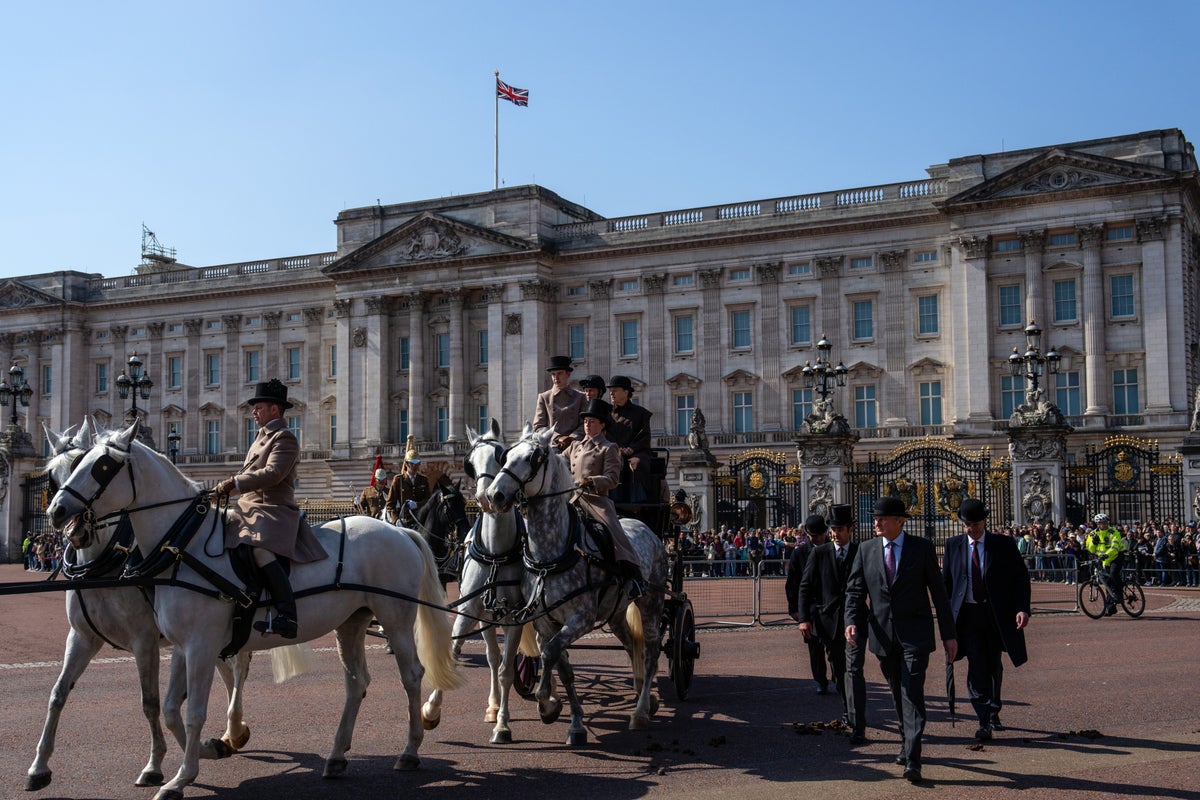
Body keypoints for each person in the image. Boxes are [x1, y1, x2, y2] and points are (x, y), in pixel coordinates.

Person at [845, 496, 957, 784]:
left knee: (912, 692)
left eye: (883, 518)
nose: (876, 523)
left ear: (899, 521)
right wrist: (852, 623)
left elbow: (939, 595)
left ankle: (913, 758)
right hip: (883, 636)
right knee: (897, 692)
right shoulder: (866, 550)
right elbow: (855, 593)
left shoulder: (922, 548)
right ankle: (905, 742)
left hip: (915, 635)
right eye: (875, 518)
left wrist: (949, 635)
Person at [216, 379, 327, 639]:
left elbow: (273, 473)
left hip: (273, 509)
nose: (254, 412)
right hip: (249, 506)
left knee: (259, 550)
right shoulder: (260, 436)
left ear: (275, 410)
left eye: (259, 407)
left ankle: (287, 615)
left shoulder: (285, 437)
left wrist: (234, 483)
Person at [942, 499, 1031, 742]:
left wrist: (1022, 608)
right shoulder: (954, 545)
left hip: (995, 615)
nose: (972, 529)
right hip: (968, 615)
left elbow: (1020, 578)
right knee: (976, 665)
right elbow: (946, 584)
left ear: (985, 521)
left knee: (994, 665)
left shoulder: (1002, 544)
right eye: (967, 524)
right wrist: (946, 620)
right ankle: (983, 719)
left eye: (976, 524)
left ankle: (994, 708)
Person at [561, 398, 646, 597]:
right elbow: (559, 463)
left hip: (595, 501)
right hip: (572, 499)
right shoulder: (575, 446)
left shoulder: (609, 448)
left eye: (591, 421)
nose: (587, 424)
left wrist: (591, 481)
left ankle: (634, 577)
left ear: (602, 424)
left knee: (615, 534)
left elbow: (612, 479)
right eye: (585, 421)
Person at [797, 504, 865, 741]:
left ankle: (856, 718)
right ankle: (848, 710)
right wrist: (804, 618)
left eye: (839, 529)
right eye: (832, 529)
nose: (835, 533)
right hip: (829, 623)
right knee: (840, 670)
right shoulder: (820, 553)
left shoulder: (861, 552)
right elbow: (805, 586)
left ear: (851, 530)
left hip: (857, 620)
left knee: (853, 670)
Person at [786, 514, 831, 695]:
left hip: (831, 606)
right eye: (814, 536)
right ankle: (820, 680)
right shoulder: (800, 553)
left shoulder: (832, 549)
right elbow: (793, 584)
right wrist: (794, 609)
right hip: (811, 608)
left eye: (820, 535)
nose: (817, 539)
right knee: (815, 649)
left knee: (835, 647)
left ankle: (837, 675)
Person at [606, 375, 653, 502]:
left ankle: (638, 501)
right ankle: (613, 500)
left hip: (637, 452)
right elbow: (605, 435)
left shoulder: (641, 413)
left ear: (626, 392)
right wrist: (618, 449)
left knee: (637, 464)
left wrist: (632, 449)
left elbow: (644, 436)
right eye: (610, 391)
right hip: (613, 451)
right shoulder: (606, 414)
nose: (611, 393)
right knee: (614, 462)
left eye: (615, 390)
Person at [533, 355, 587, 450]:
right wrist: (557, 437)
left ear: (568, 374)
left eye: (559, 373)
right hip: (551, 446)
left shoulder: (580, 397)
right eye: (553, 374)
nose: (556, 378)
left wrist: (571, 438)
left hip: (575, 446)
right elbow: (538, 426)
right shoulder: (544, 397)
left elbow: (585, 424)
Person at [1085, 513, 1127, 616]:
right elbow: (1090, 548)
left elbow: (1115, 546)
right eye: (1100, 523)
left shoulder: (1113, 532)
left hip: (1116, 556)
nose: (1103, 525)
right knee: (1107, 582)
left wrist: (1106, 556)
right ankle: (1110, 608)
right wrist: (1094, 543)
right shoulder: (1093, 534)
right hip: (1103, 559)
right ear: (1097, 524)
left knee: (1113, 573)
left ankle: (1119, 595)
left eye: (1104, 523)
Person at [386, 435, 431, 525]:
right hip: (403, 520)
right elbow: (390, 504)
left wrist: (417, 505)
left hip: (420, 521)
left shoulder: (423, 480)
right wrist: (395, 520)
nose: (414, 466)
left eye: (417, 463)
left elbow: (428, 501)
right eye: (412, 464)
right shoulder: (399, 480)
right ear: (406, 464)